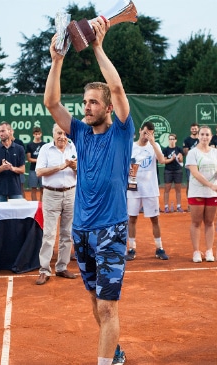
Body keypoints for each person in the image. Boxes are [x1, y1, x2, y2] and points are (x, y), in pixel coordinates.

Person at [44, 17, 133, 365]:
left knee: (108, 305)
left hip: (111, 230)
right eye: (85, 102)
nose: (87, 107)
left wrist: (97, 46)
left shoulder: (122, 131)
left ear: (108, 108)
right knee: (96, 302)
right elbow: (52, 103)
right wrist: (57, 60)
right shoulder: (79, 133)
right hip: (81, 229)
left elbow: (120, 90)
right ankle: (114, 352)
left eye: (94, 102)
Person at [35, 124, 78, 285]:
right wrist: (61, 166)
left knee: (67, 233)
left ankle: (62, 267)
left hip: (71, 194)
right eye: (58, 133)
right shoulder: (46, 149)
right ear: (53, 134)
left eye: (64, 133)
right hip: (51, 194)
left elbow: (84, 171)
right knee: (49, 234)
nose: (62, 136)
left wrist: (75, 167)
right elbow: (39, 172)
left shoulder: (74, 147)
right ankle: (44, 270)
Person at [126, 121, 169, 261]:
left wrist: (153, 143)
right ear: (140, 131)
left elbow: (162, 160)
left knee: (155, 219)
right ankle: (131, 248)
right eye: (145, 133)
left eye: (150, 134)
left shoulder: (154, 147)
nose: (146, 136)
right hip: (133, 189)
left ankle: (159, 248)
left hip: (150, 189)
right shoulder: (130, 147)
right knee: (131, 218)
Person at [185, 125, 217, 263]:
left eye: (207, 135)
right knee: (196, 222)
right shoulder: (192, 153)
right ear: (198, 136)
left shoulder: (216, 153)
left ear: (211, 136)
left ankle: (209, 251)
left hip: (213, 193)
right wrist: (211, 185)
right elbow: (195, 173)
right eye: (202, 134)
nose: (204, 137)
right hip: (197, 191)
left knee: (209, 222)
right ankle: (196, 251)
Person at [0, 122, 25, 202]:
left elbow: (22, 170)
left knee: (17, 213)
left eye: (3, 131)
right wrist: (2, 168)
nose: (1, 134)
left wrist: (12, 168)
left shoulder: (20, 149)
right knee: (0, 214)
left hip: (15, 189)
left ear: (10, 131)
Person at [162, 133, 184, 213]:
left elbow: (181, 161)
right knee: (167, 189)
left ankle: (178, 206)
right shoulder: (165, 150)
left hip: (178, 171)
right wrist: (172, 159)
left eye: (173, 139)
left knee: (178, 189)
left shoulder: (179, 149)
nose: (171, 140)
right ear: (168, 140)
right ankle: (166, 207)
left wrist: (179, 158)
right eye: (170, 139)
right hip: (168, 171)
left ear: (176, 140)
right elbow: (164, 161)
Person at [26, 126, 46, 201]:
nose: (37, 135)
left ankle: (42, 206)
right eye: (36, 134)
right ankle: (34, 206)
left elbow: (46, 157)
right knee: (33, 189)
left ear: (41, 134)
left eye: (39, 134)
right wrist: (39, 160)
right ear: (33, 134)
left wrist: (41, 161)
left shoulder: (44, 145)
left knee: (42, 189)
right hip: (33, 170)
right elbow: (29, 159)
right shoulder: (29, 145)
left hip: (42, 169)